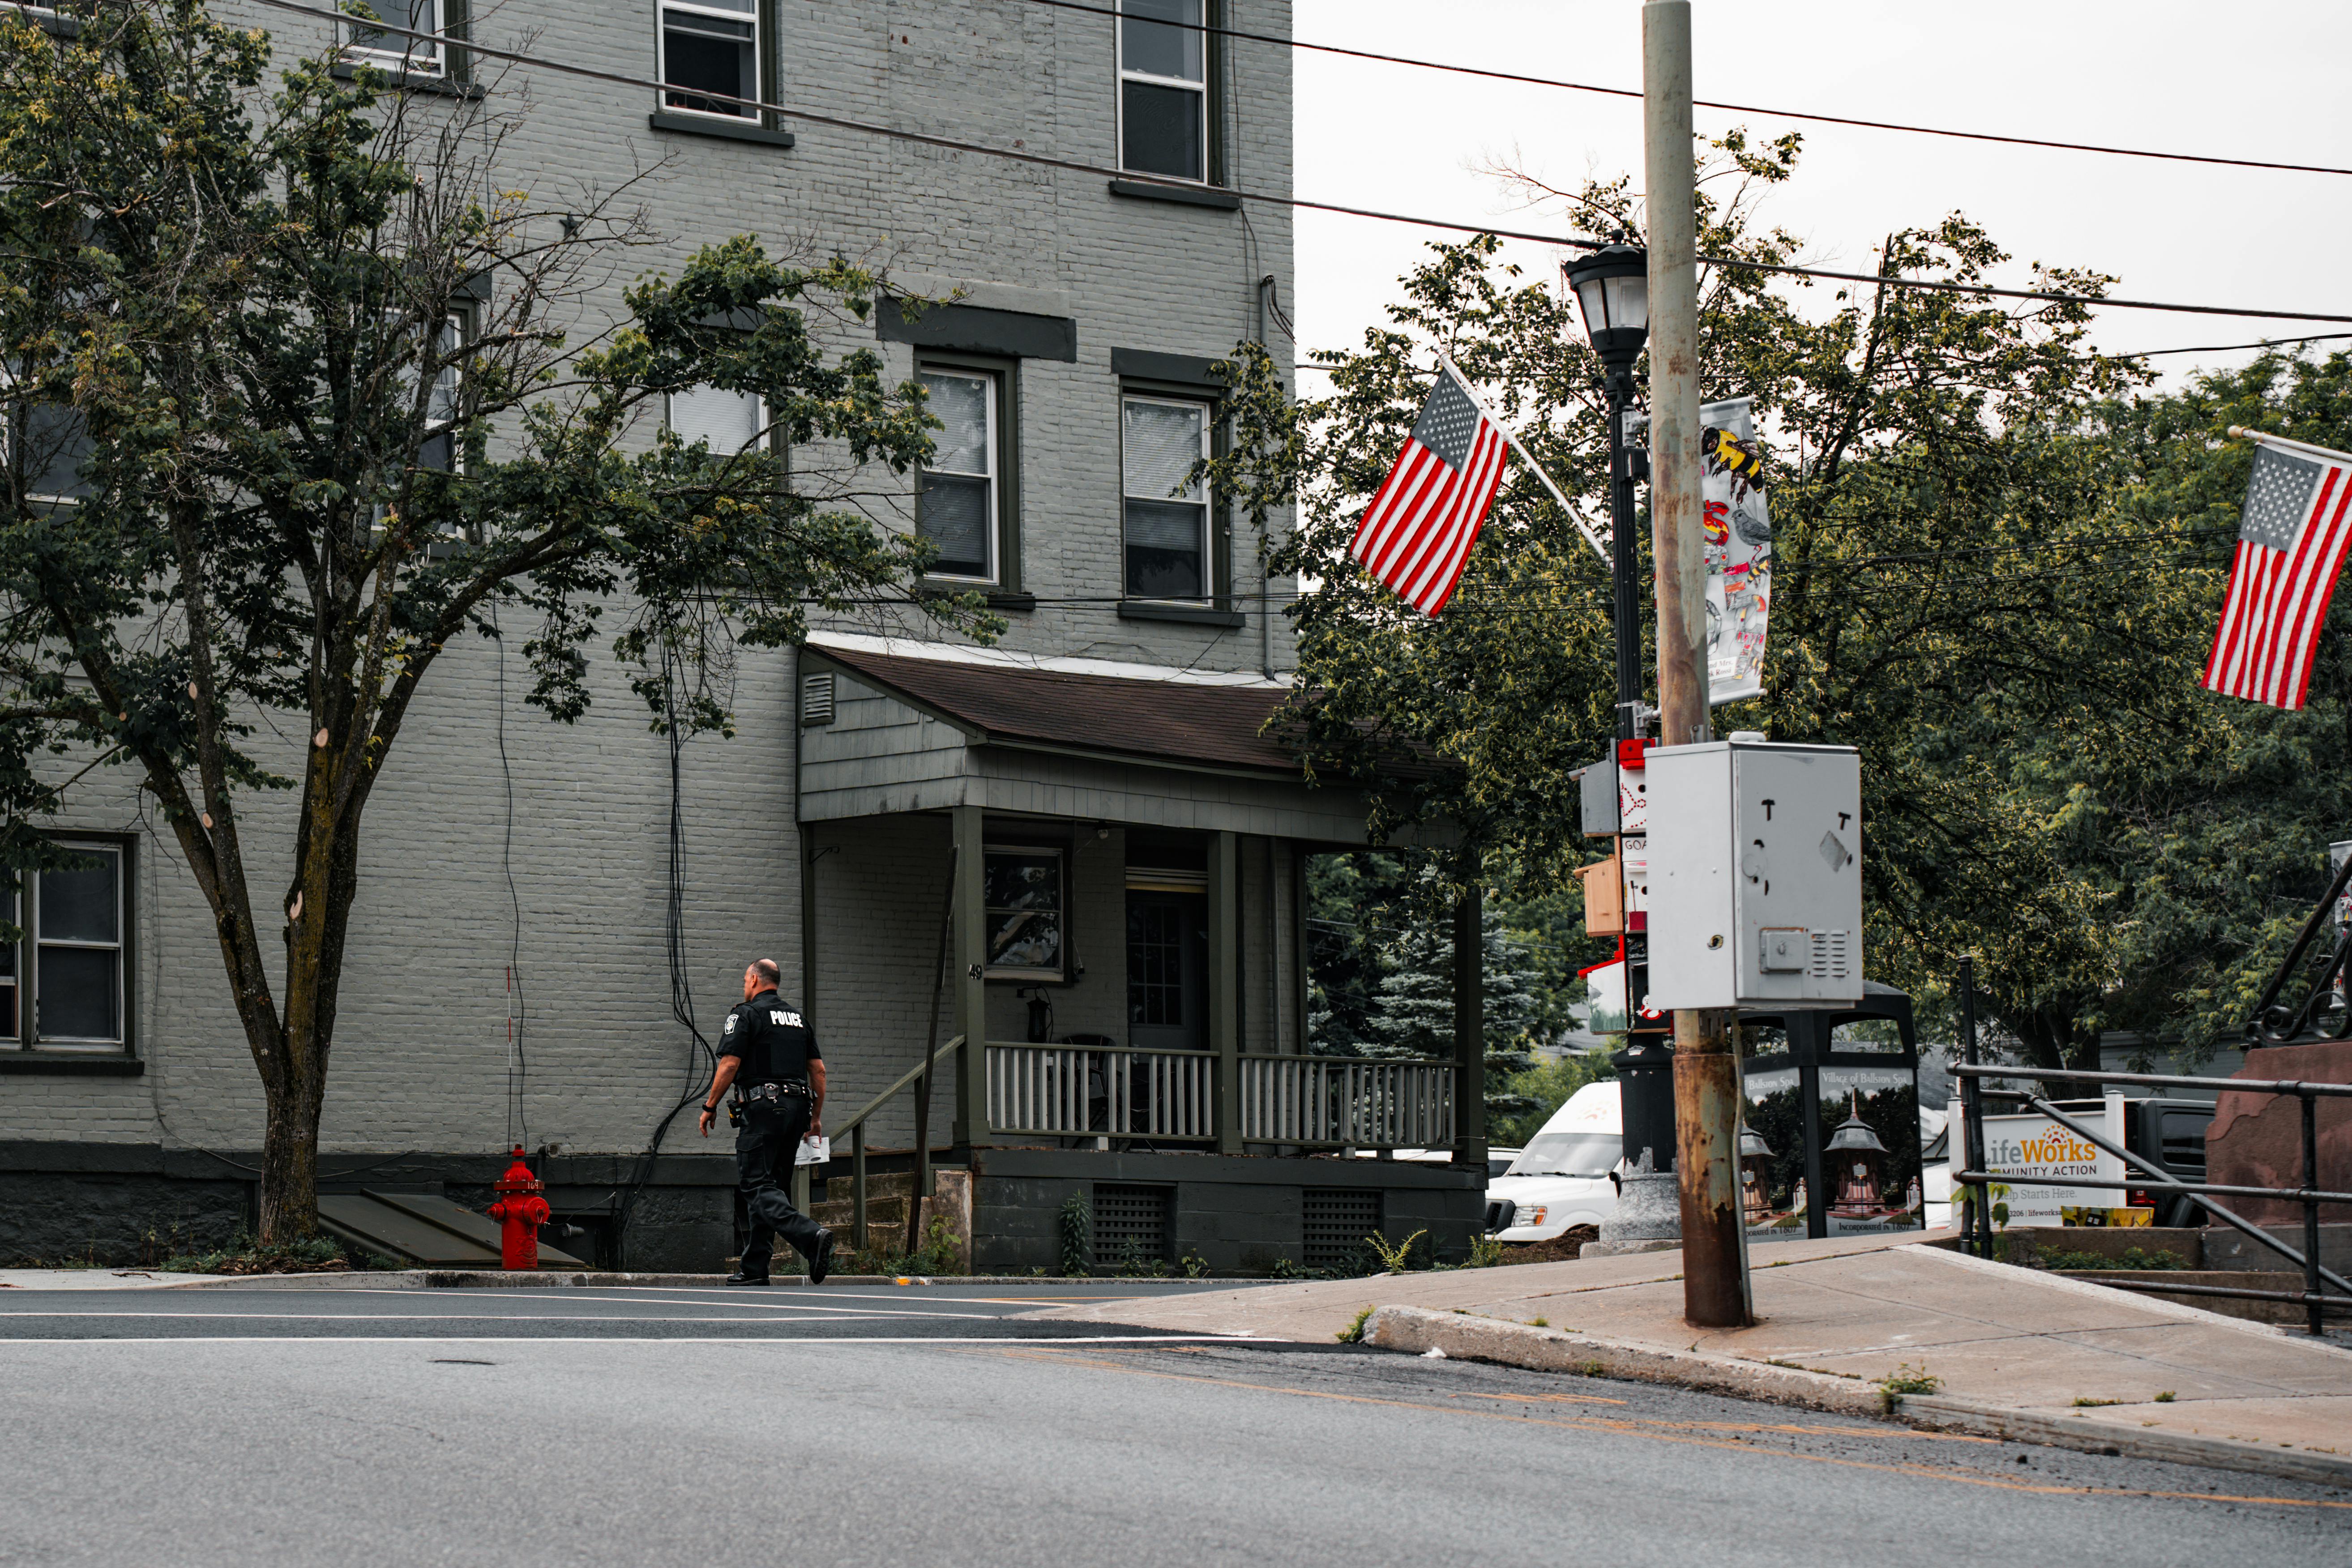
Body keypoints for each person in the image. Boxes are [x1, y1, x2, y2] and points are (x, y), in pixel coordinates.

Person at [698, 958, 836, 1285]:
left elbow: (730, 1064)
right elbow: (819, 1071)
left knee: (755, 1185)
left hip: (763, 1109)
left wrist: (710, 1104)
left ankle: (811, 1235)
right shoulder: (798, 1019)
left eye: (746, 979)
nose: (744, 985)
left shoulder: (745, 1014)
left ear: (756, 980)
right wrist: (815, 1118)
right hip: (798, 1109)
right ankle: (755, 1268)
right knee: (771, 1188)